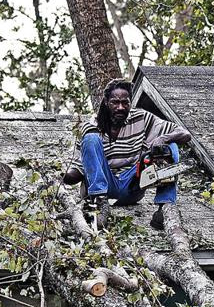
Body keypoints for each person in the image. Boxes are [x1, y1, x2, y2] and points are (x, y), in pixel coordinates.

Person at [62, 78, 192, 231]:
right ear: (106, 102)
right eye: (115, 103)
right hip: (106, 187)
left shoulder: (141, 118)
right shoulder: (92, 126)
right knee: (91, 139)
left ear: (131, 102)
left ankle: (165, 206)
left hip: (132, 187)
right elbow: (77, 172)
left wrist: (162, 138)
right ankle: (99, 203)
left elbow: (185, 134)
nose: (120, 107)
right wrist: (62, 176)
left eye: (125, 103)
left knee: (171, 145)